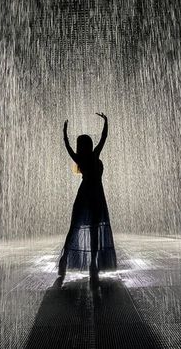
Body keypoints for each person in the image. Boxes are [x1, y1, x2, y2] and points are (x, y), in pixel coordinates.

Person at [57, 112, 117, 283]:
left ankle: (64, 259)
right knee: (94, 229)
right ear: (90, 145)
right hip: (96, 195)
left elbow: (67, 147)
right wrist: (106, 121)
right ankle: (93, 264)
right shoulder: (94, 155)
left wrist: (64, 132)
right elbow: (104, 137)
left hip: (84, 194)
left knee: (74, 226)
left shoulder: (79, 158)